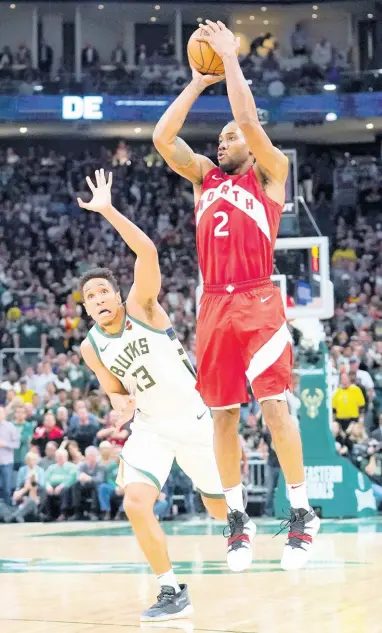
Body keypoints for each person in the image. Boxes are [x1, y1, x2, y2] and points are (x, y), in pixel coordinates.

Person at [153, 19, 320, 572]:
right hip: (213, 305)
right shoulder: (205, 180)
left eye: (229, 137)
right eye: (219, 138)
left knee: (274, 407)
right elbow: (162, 139)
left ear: (250, 145)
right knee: (223, 418)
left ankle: (300, 511)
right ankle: (237, 519)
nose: (222, 142)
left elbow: (247, 118)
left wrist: (230, 59)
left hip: (257, 299)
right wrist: (199, 82)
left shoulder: (272, 173)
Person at [77, 169, 226, 621]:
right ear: (85, 307)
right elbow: (117, 394)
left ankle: (242, 520)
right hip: (152, 429)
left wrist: (107, 211)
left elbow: (146, 250)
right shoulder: (90, 346)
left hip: (195, 420)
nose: (98, 297)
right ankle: (170, 590)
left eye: (104, 289)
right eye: (90, 295)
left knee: (219, 510)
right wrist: (119, 407)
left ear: (119, 295)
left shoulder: (144, 306)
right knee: (135, 502)